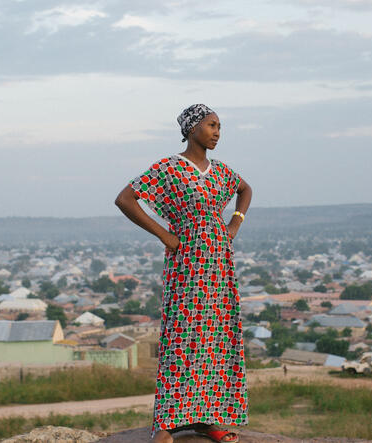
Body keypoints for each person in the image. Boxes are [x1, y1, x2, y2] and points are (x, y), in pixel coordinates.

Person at [115, 104, 252, 443]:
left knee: (217, 336)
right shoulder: (170, 167)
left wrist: (236, 222)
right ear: (192, 129)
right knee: (183, 334)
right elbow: (126, 199)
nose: (217, 132)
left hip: (219, 261)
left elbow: (245, 190)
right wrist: (164, 234)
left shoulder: (221, 172)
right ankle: (165, 424)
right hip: (187, 260)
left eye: (220, 126)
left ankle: (210, 419)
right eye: (211, 125)